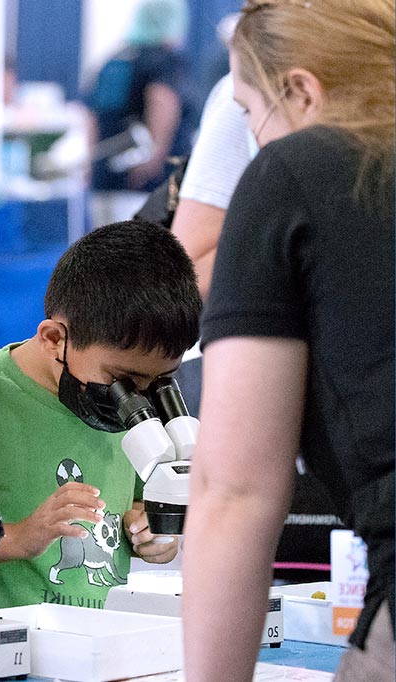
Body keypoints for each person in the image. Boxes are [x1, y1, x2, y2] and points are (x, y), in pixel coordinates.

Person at [182, 1, 394, 680]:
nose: (252, 134)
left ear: (301, 90)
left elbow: (235, 491)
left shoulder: (296, 173)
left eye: (248, 112)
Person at [0, 219, 201, 609]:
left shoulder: (136, 412)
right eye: (122, 380)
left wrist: (151, 534)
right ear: (54, 339)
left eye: (160, 381)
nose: (137, 399)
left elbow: (136, 505)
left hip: (96, 644)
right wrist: (20, 537)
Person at [85, 0, 192, 226]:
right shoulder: (162, 60)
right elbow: (162, 101)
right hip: (144, 185)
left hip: (104, 181)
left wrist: (92, 166)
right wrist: (154, 159)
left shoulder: (112, 60)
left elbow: (92, 116)